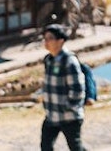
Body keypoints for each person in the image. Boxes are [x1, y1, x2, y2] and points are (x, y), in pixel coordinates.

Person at [40, 23, 86, 151]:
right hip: (52, 114)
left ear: (60, 41)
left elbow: (77, 88)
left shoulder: (69, 61)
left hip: (69, 116)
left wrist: (68, 106)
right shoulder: (48, 60)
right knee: (46, 146)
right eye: (45, 38)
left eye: (50, 38)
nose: (46, 42)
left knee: (75, 147)